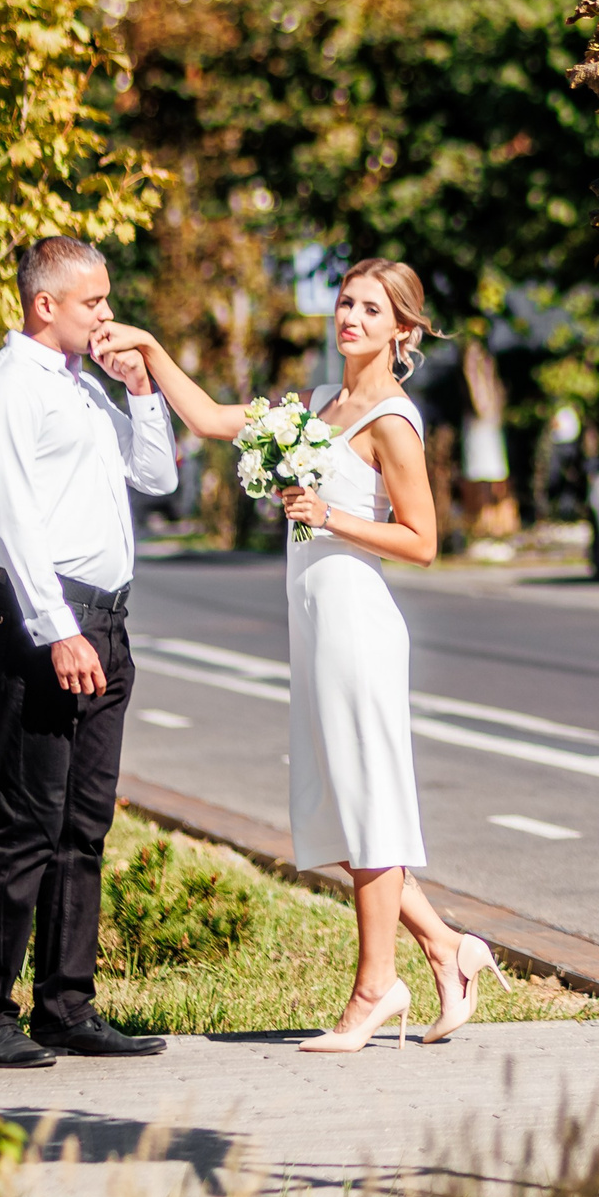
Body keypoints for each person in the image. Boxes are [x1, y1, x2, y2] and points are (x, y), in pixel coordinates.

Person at [99, 258, 508, 1051]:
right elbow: (217, 420)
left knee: (369, 803)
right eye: (345, 302)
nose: (348, 317)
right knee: (346, 802)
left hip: (357, 621)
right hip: (314, 619)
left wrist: (330, 515)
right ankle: (447, 948)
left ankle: (372, 990)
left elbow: (422, 541)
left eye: (368, 308)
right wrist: (149, 347)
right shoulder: (319, 402)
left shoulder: (391, 417)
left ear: (402, 329)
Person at [0, 236, 180, 1068]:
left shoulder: (84, 386)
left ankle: (67, 1005)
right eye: (94, 302)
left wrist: (143, 390)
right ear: (45, 304)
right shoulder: (8, 387)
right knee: (25, 821)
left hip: (107, 622)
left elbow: (155, 476)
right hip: (45, 621)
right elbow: (13, 524)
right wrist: (61, 633)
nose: (108, 315)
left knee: (83, 825)